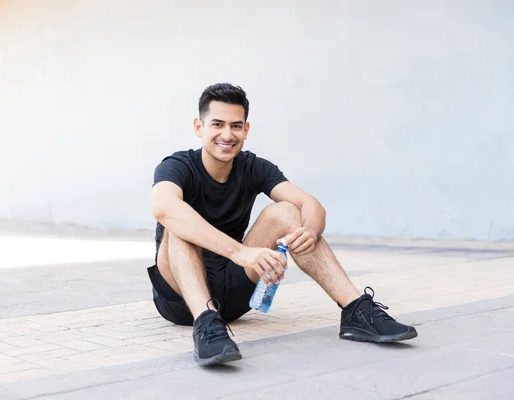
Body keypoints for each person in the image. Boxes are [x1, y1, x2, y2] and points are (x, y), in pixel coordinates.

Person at [147, 83, 417, 366]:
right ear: (198, 127)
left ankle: (356, 311)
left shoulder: (253, 167)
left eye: (236, 126)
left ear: (246, 130)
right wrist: (240, 252)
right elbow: (163, 207)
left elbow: (311, 205)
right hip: (180, 301)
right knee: (177, 222)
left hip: (233, 292)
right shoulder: (177, 166)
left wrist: (309, 232)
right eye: (217, 124)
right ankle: (206, 324)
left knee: (286, 211)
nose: (227, 135)